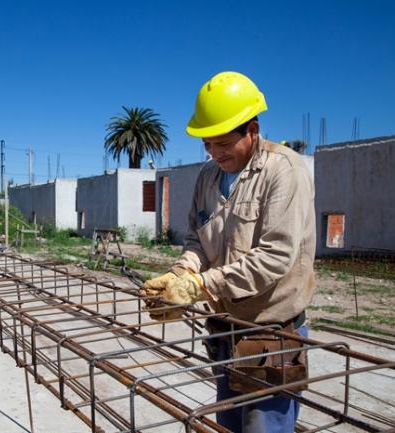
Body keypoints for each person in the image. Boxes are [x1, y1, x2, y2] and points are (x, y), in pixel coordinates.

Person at [142, 71, 315, 433]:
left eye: (223, 143)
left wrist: (199, 287)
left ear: (252, 130)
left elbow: (275, 257)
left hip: (271, 334)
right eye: (207, 143)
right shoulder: (207, 177)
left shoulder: (284, 171)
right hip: (226, 329)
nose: (214, 152)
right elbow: (197, 242)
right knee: (228, 425)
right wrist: (180, 275)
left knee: (263, 428)